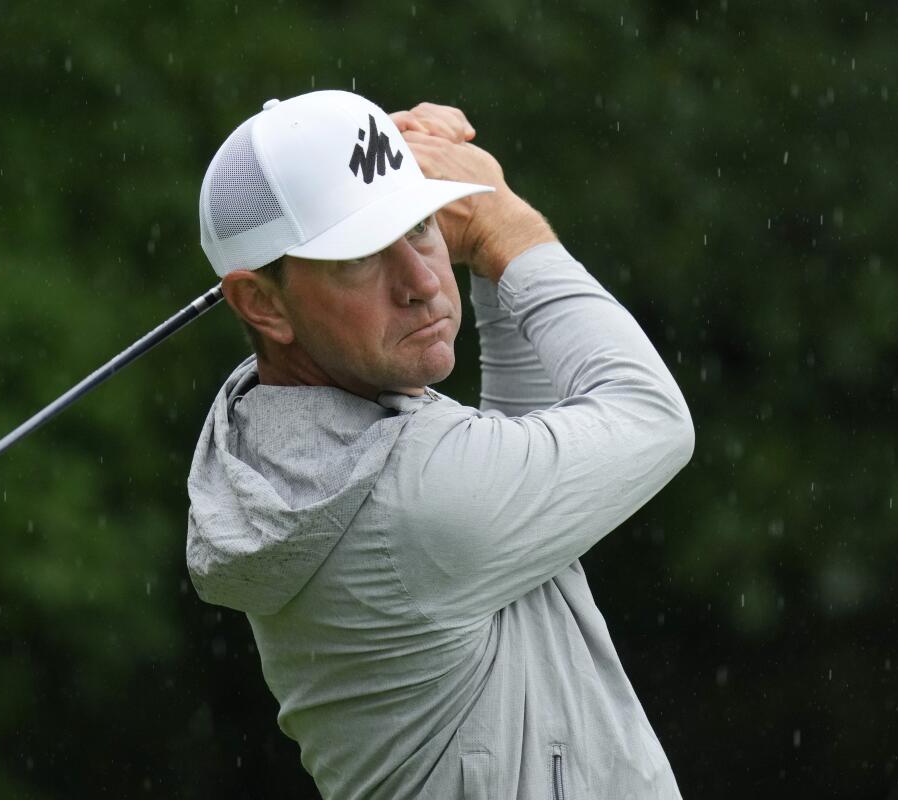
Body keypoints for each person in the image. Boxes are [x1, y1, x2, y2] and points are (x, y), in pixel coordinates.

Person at [186, 90, 694, 799]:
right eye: (360, 256)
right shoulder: (413, 500)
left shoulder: (300, 444)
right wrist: (501, 221)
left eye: (421, 225)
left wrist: (482, 249)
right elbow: (652, 417)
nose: (424, 282)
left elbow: (524, 451)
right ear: (263, 303)